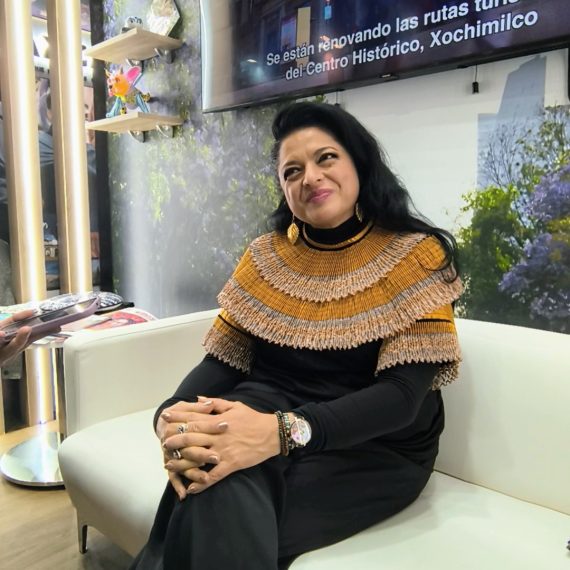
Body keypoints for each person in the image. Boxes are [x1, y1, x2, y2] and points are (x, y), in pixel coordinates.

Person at [130, 102, 463, 570]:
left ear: (358, 164)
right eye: (292, 171)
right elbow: (222, 362)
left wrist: (279, 433)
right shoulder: (264, 257)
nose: (310, 177)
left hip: (372, 446)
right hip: (263, 412)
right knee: (213, 468)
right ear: (284, 189)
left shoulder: (416, 254)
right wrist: (170, 419)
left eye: (326, 158)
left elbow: (401, 398)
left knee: (211, 489)